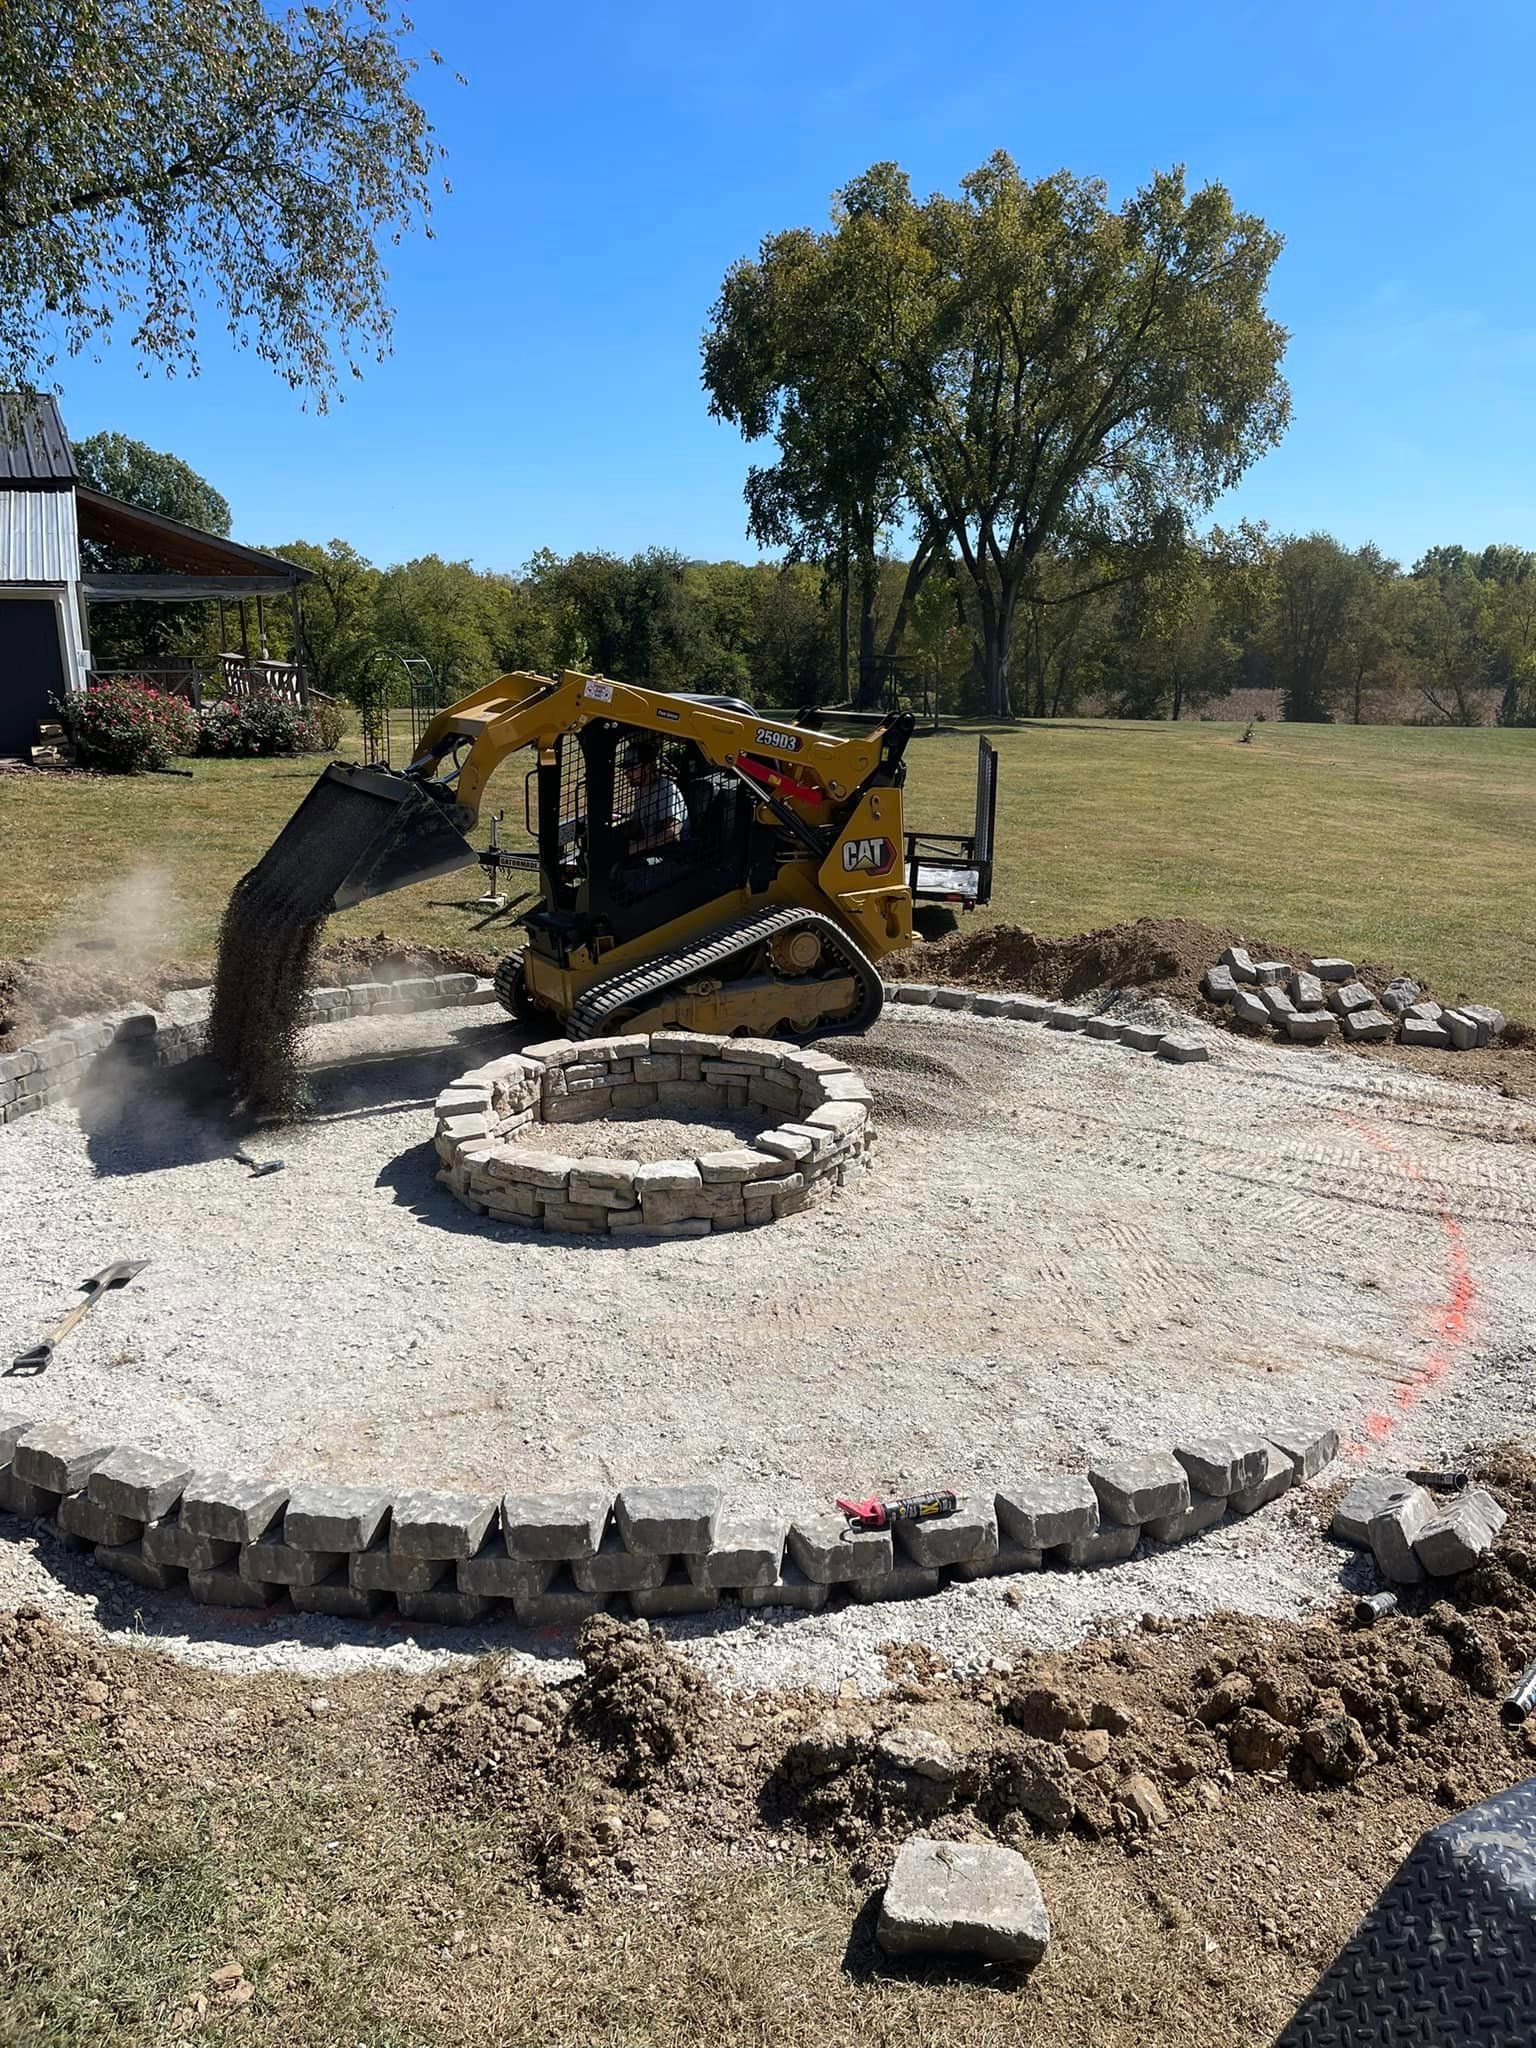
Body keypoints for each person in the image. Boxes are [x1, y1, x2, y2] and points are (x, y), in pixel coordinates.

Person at [619, 738, 687, 852]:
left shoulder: (665, 789)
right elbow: (635, 828)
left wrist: (636, 848)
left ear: (648, 767)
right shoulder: (641, 791)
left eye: (632, 768)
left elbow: (672, 833)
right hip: (653, 851)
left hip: (672, 856)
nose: (627, 773)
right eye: (626, 769)